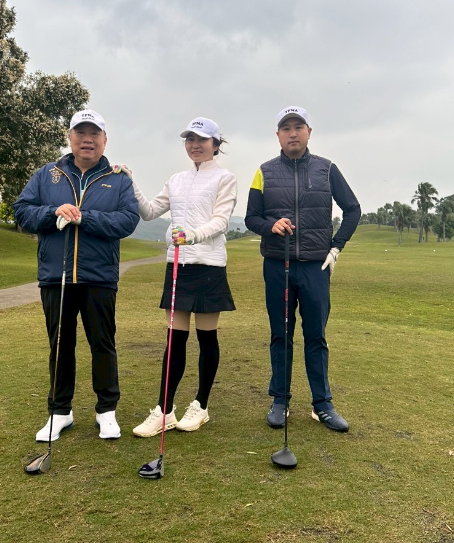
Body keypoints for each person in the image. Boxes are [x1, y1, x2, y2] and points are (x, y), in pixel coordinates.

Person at [14, 109, 140, 443]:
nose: (87, 139)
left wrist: (85, 217)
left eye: (94, 133)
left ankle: (106, 411)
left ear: (104, 140)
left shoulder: (118, 179)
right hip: (55, 276)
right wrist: (52, 211)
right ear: (70, 137)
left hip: (99, 276)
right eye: (81, 133)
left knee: (103, 344)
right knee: (60, 344)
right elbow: (22, 212)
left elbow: (127, 221)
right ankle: (60, 412)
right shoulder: (48, 175)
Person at [116, 117, 238, 437]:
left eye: (202, 140)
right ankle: (164, 410)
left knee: (207, 337)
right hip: (178, 265)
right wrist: (130, 182)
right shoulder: (177, 180)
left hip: (208, 265)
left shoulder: (224, 178)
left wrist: (192, 235)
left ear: (215, 144)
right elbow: (149, 212)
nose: (195, 145)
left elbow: (221, 221)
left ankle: (201, 405)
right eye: (189, 139)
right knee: (175, 340)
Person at [244, 106, 361, 432]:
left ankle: (322, 404)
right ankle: (280, 400)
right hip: (277, 265)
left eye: (298, 127)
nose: (292, 133)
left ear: (309, 132)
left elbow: (353, 209)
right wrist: (270, 225)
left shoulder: (327, 169)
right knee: (280, 335)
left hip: (315, 267)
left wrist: (335, 247)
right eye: (286, 128)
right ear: (278, 135)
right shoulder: (264, 172)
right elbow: (251, 217)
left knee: (316, 336)